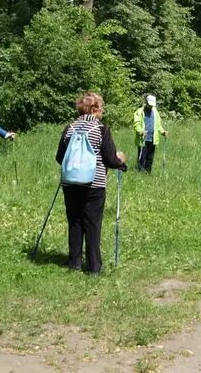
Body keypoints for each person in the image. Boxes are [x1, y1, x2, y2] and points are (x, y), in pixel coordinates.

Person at [55, 92, 127, 274]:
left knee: (75, 222)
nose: (102, 111)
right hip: (94, 184)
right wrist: (120, 160)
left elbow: (59, 158)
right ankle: (94, 267)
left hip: (70, 183)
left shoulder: (69, 128)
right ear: (95, 109)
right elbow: (111, 159)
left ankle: (74, 264)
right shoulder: (101, 130)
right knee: (93, 224)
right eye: (101, 107)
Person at [132, 94, 166, 173]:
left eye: (152, 105)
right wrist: (141, 131)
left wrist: (163, 132)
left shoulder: (155, 112)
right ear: (146, 102)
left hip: (152, 138)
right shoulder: (139, 111)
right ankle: (140, 172)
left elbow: (158, 124)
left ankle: (148, 172)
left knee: (150, 157)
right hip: (142, 139)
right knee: (142, 156)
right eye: (149, 105)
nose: (151, 107)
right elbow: (136, 124)